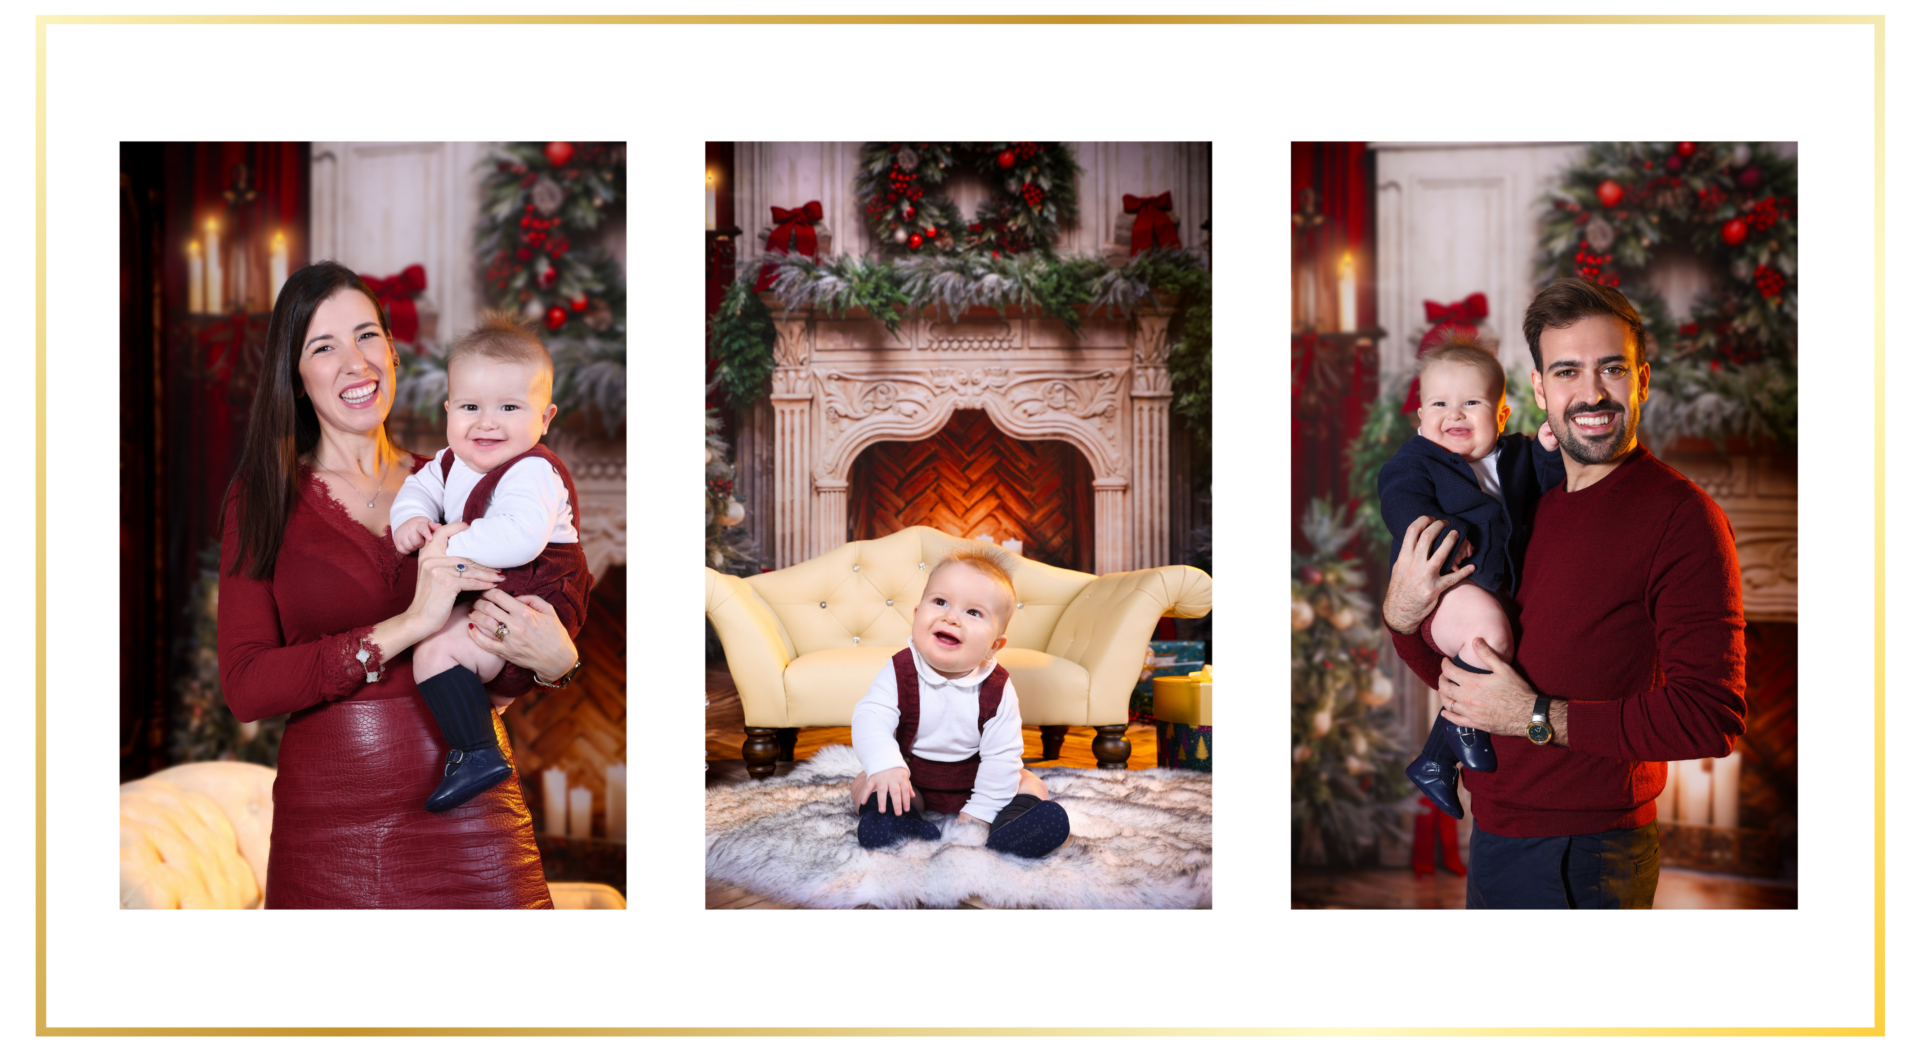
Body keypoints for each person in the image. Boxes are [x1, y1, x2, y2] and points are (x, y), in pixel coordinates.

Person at [216, 261, 585, 910]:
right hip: (328, 831)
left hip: (473, 809)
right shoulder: (262, 498)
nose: (355, 362)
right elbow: (247, 687)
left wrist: (557, 665)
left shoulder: (462, 482)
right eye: (323, 347)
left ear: (392, 348)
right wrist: (410, 626)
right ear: (297, 378)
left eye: (367, 336)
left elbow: (499, 657)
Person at [1381, 276, 1748, 911]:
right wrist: (1400, 615)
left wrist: (1533, 717)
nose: (1591, 392)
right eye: (1568, 371)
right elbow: (1462, 672)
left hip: (1587, 854)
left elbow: (1709, 717)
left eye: (1612, 368)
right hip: (1494, 832)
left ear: (1642, 380)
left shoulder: (1682, 518)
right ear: (1539, 389)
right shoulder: (1521, 503)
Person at [389, 309, 594, 813]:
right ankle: (482, 735)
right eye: (469, 406)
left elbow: (520, 539)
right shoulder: (446, 463)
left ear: (544, 418)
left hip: (540, 595)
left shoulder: (533, 472)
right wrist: (410, 520)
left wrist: (444, 548)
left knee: (436, 653)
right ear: (448, 411)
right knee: (437, 651)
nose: (486, 422)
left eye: (508, 406)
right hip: (500, 596)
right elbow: (416, 488)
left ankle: (477, 753)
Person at [1375, 330, 1565, 819]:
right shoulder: (1416, 462)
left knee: (1498, 645)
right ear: (1420, 418)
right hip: (1444, 587)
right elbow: (1401, 500)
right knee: (1489, 638)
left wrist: (1547, 448)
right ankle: (1451, 742)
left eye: (1472, 402)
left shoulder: (1514, 456)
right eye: (1439, 403)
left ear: (1501, 415)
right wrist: (1438, 534)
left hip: (1486, 589)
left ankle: (1438, 760)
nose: (1454, 414)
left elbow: (1549, 483)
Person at [846, 543, 1072, 859]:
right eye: (940, 602)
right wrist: (886, 765)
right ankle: (897, 822)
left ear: (994, 645)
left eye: (973, 612)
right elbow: (871, 716)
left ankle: (1012, 826)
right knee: (865, 781)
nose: (951, 617)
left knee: (1029, 782)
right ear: (915, 614)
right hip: (914, 780)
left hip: (978, 778)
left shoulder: (997, 687)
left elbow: (1002, 755)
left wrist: (980, 811)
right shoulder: (900, 669)